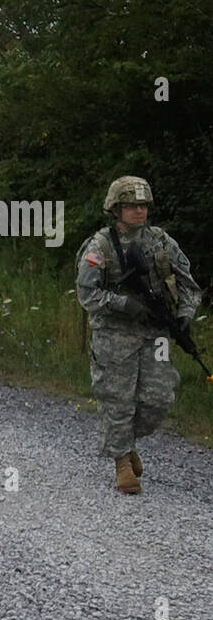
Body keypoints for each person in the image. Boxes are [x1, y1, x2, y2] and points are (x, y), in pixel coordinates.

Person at [75, 176, 202, 494]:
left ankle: (126, 443)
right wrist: (124, 305)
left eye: (143, 205)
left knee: (160, 398)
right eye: (132, 205)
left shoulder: (161, 241)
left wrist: (185, 315)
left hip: (157, 333)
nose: (139, 211)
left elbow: (187, 283)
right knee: (117, 399)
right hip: (115, 334)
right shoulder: (100, 246)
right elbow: (87, 294)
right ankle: (122, 462)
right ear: (115, 209)